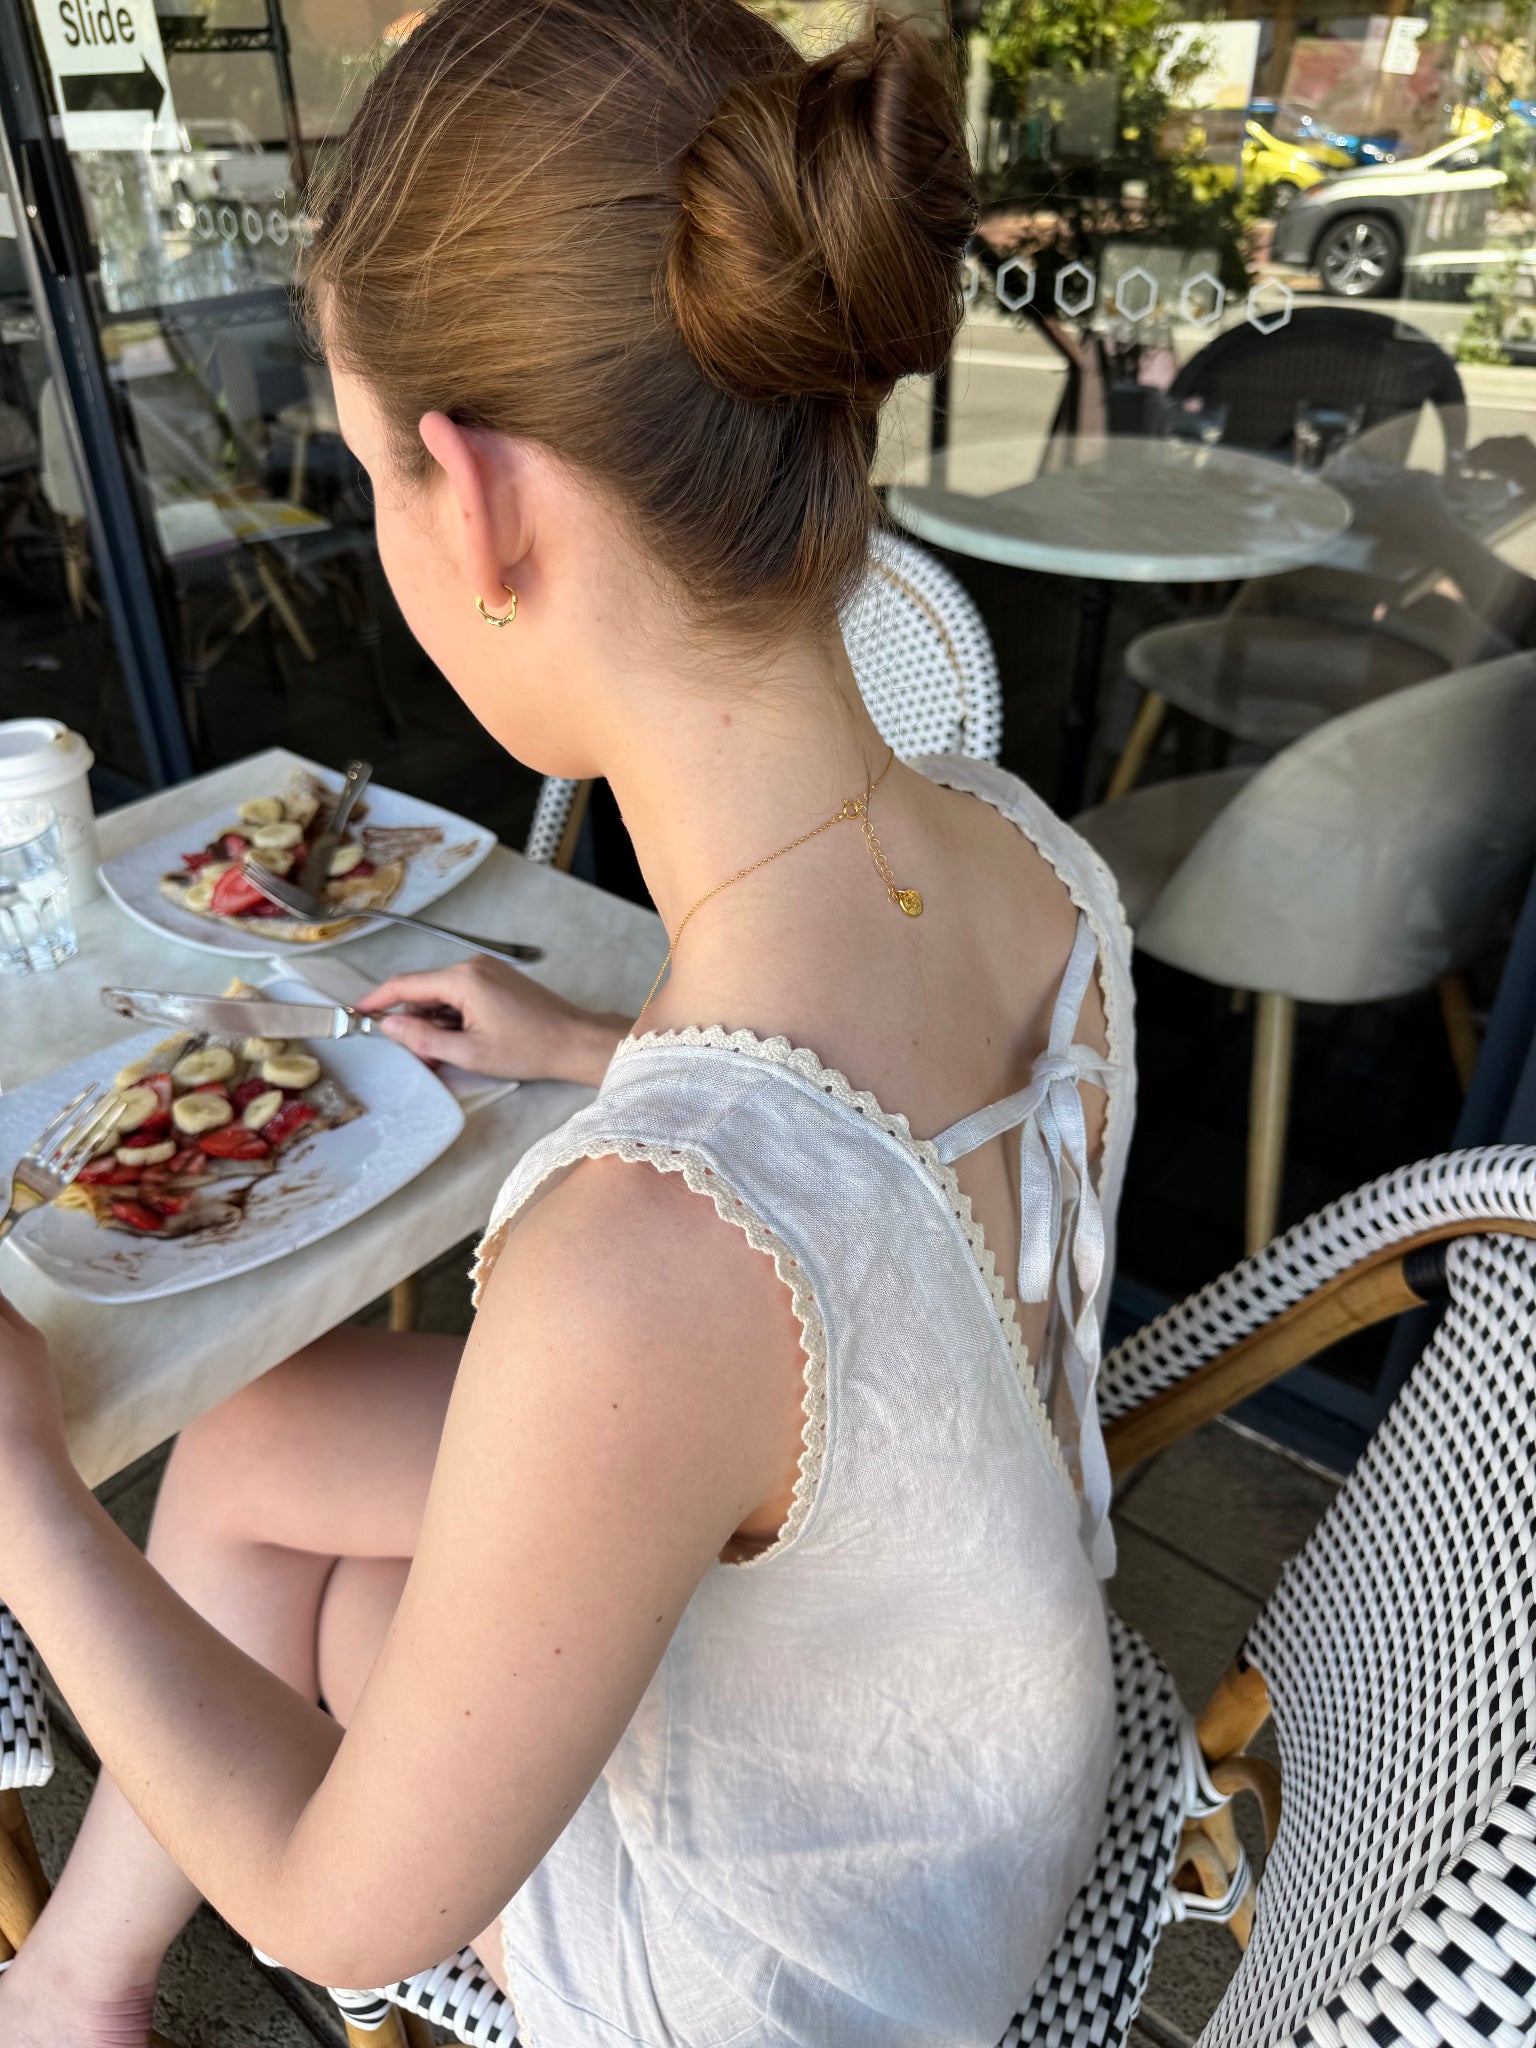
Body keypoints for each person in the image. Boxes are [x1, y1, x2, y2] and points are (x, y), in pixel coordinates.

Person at [0, 0, 1135, 2041]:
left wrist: (22, 1503)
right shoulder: (1028, 858)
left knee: (264, 1595)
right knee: (264, 1465)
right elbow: (894, 1218)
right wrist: (578, 1048)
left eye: (361, 475)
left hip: (785, 1972)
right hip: (953, 1720)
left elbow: (344, 1912)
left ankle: (67, 1987)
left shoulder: (648, 1254)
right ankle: (78, 1989)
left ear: (476, 494)